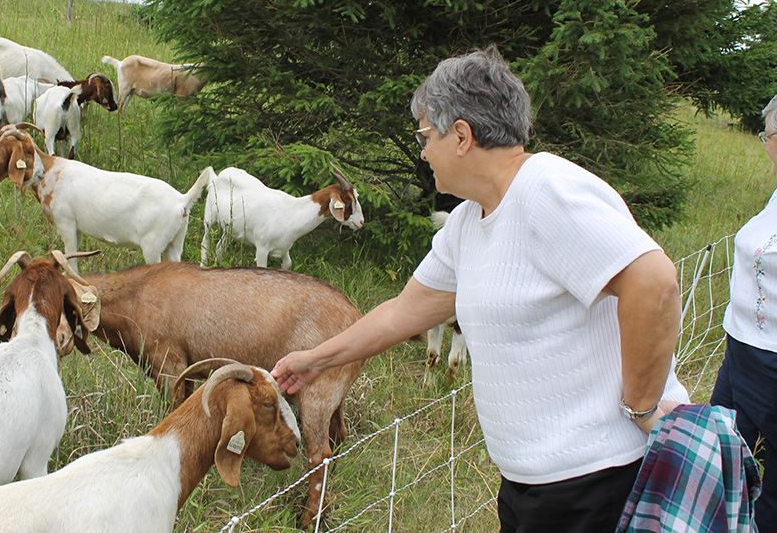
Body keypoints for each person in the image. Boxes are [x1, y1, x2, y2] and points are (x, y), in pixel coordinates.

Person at [272, 47, 690, 533]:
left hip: (596, 483)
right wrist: (315, 359)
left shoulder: (547, 190)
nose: (424, 151)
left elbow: (655, 283)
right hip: (529, 484)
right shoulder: (470, 221)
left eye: (426, 136)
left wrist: (641, 404)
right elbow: (401, 314)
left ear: (463, 136)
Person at [710, 93, 777, 533]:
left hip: (772, 365)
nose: (766, 144)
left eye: (768, 135)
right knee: (715, 461)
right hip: (742, 353)